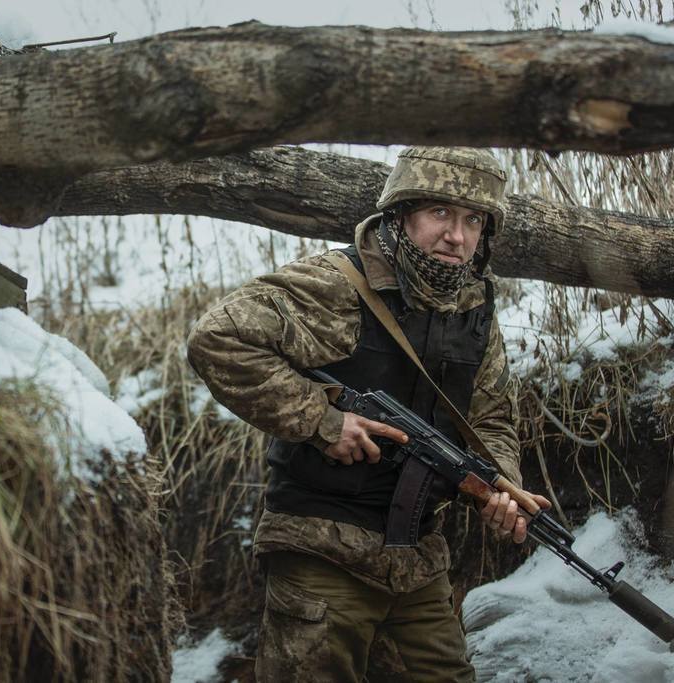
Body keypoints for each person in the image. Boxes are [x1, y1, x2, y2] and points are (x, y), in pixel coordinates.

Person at [186, 146, 551, 682]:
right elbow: (217, 338)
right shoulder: (338, 286)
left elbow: (491, 416)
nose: (457, 236)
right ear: (401, 215)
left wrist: (501, 486)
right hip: (321, 546)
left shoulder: (474, 310)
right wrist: (323, 419)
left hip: (417, 557)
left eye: (473, 220)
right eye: (441, 214)